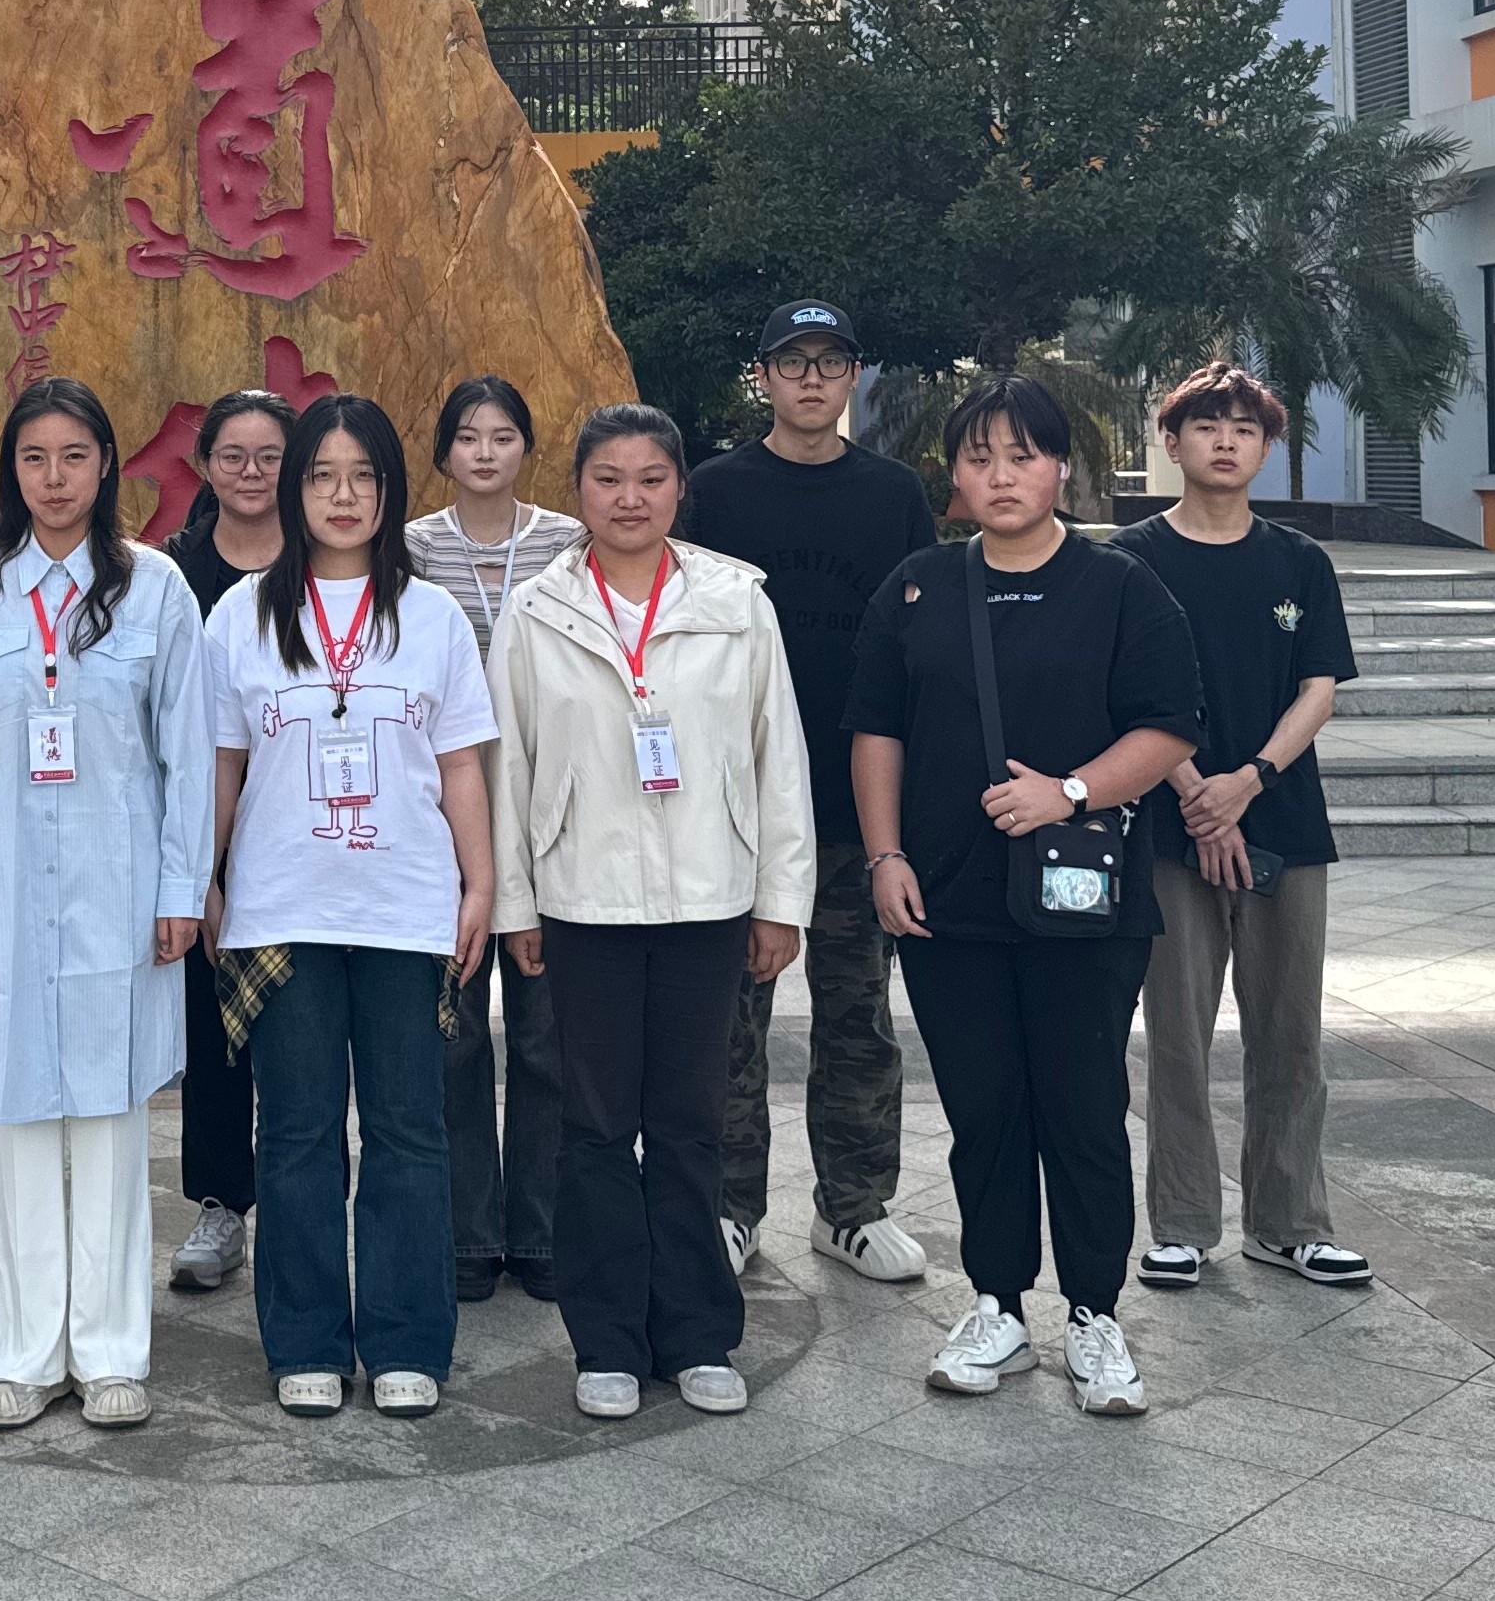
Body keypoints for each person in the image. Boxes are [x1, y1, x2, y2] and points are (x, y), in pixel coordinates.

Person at [851, 375, 1203, 1420]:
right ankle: (997, 1304)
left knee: (1084, 1107)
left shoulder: (1121, 586)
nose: (1001, 476)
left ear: (1060, 468)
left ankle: (1094, 1314)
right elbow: (878, 731)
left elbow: (1169, 728)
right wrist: (884, 856)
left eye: (1022, 455)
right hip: (946, 900)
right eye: (979, 458)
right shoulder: (916, 587)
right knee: (985, 1111)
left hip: (1084, 904)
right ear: (953, 478)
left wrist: (1071, 792)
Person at [488, 406, 814, 1420]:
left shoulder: (736, 601)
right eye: (608, 479)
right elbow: (508, 768)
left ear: (680, 488)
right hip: (581, 900)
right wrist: (516, 904)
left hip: (710, 898)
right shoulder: (537, 610)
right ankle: (607, 1342)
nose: (629, 498)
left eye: (650, 479)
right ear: (577, 490)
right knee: (591, 1129)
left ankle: (698, 1333)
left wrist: (780, 901)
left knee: (689, 1125)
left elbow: (778, 756)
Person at [0, 380, 216, 1428]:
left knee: (111, 1121)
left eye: (75, 456)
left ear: (106, 466)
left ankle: (111, 1351)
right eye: (35, 458)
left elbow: (187, 751)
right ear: (12, 470)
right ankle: (24, 1353)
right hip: (1, 893)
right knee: (17, 1122)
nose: (54, 479)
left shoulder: (155, 589)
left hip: (118, 892)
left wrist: (182, 888)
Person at [209, 395, 497, 1418]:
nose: (343, 496)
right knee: (296, 1131)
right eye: (323, 475)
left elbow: (459, 765)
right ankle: (306, 1342)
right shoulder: (241, 614)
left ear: (390, 490)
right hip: (282, 909)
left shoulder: (431, 616)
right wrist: (204, 878)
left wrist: (480, 883)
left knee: (410, 1127)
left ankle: (407, 1340)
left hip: (405, 908)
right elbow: (223, 764)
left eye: (363, 476)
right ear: (295, 489)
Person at [679, 301, 938, 1295]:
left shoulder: (893, 494)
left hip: (852, 805)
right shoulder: (713, 491)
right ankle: (729, 1206)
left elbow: (920, 647)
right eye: (794, 362)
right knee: (729, 1025)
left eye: (832, 361)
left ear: (854, 375)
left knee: (858, 1017)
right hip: (734, 809)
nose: (813, 379)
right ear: (765, 376)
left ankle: (853, 1209)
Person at [1115, 364, 1370, 1293]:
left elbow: (1319, 690)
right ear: (1171, 441)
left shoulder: (1299, 562)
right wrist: (1197, 794)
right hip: (1169, 828)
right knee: (1177, 1036)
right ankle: (1183, 1225)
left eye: (1245, 429)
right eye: (1206, 425)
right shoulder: (1131, 559)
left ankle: (1290, 1224)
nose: (1226, 441)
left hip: (1285, 825)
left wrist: (1248, 782)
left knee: (1290, 1033)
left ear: (1266, 448)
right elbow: (1125, 692)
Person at [408, 376, 586, 1303]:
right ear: (443, 449)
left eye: (503, 435)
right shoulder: (408, 549)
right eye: (468, 436)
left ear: (527, 447)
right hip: (441, 815)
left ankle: (544, 1229)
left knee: (549, 1035)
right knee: (455, 1040)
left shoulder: (568, 543)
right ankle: (470, 1233)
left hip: (547, 807)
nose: (485, 452)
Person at [163, 388, 291, 1295]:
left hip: (301, 832)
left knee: (299, 1030)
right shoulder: (170, 575)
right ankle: (219, 1203)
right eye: (233, 455)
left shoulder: (325, 565)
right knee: (211, 1024)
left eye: (271, 456)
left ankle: (296, 1195)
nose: (251, 472)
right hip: (197, 826)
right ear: (205, 465)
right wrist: (194, 869)